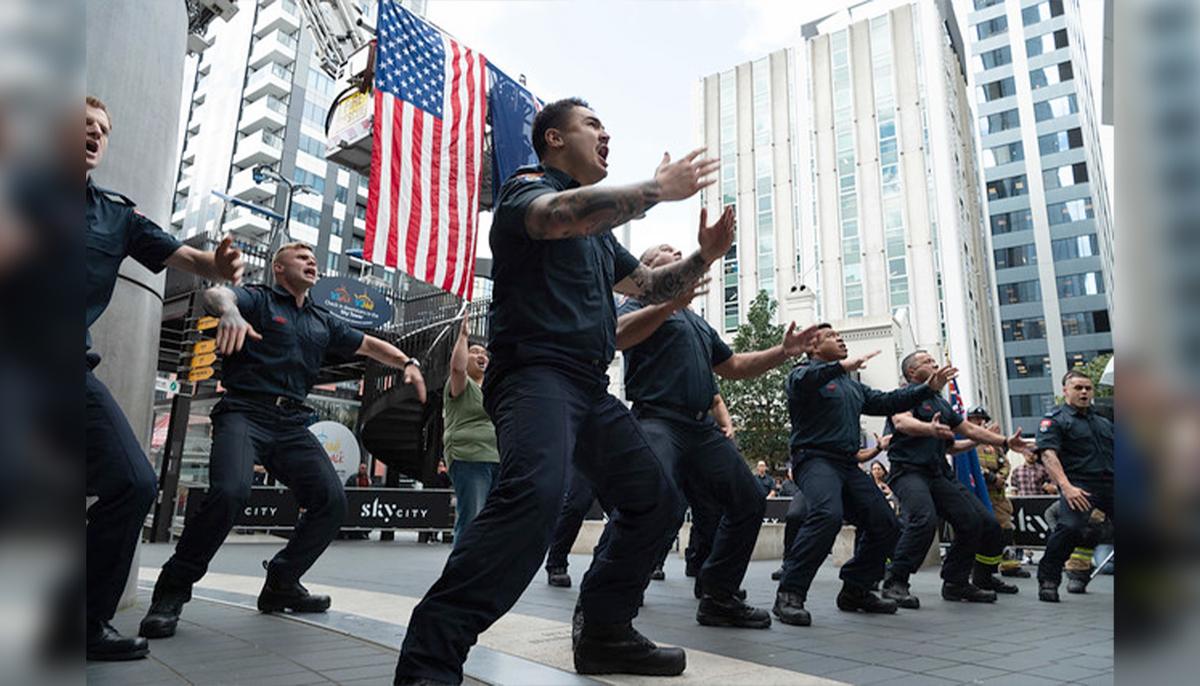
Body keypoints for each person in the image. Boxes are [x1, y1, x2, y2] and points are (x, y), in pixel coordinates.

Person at [394, 97, 729, 684]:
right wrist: (655, 188)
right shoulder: (525, 191)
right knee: (533, 500)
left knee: (656, 500)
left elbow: (650, 284)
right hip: (534, 376)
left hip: (589, 387)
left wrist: (706, 254)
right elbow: (558, 217)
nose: (606, 133)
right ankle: (428, 662)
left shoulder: (601, 238)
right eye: (592, 125)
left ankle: (605, 634)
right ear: (553, 139)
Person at [138, 242, 427, 640]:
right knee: (230, 492)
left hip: (291, 423)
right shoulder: (256, 298)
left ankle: (282, 583)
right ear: (278, 268)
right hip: (244, 413)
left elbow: (367, 344)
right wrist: (231, 312)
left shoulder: (321, 320)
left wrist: (407, 364)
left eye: (314, 257)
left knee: (331, 501)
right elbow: (215, 293)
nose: (312, 260)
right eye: (301, 256)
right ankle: (171, 590)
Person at [84, 95, 245, 661]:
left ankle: (84, 623)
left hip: (66, 374)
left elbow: (192, 260)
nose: (94, 134)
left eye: (102, 128)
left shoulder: (116, 215)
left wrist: (220, 272)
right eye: (81, 124)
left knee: (134, 483)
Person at [615, 242, 817, 627]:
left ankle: (718, 596)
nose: (676, 251)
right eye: (665, 251)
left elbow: (734, 366)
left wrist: (783, 351)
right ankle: (615, 593)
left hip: (700, 428)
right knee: (653, 503)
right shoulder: (637, 303)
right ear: (646, 269)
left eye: (679, 251)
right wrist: (666, 306)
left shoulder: (698, 322)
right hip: (656, 420)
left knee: (749, 500)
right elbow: (617, 336)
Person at [773, 326, 958, 627]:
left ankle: (856, 590)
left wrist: (928, 388)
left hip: (847, 464)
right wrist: (841, 366)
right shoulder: (803, 373)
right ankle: (789, 594)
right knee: (826, 516)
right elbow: (801, 382)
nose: (841, 339)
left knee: (886, 525)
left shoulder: (853, 387)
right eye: (832, 337)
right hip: (815, 459)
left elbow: (888, 401)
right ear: (813, 348)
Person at [880, 351, 1032, 610]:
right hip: (908, 471)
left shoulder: (941, 404)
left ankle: (957, 582)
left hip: (938, 473)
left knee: (978, 522)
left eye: (934, 360)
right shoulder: (904, 395)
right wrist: (929, 428)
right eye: (927, 361)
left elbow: (967, 432)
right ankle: (896, 581)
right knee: (923, 520)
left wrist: (1005, 441)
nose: (935, 364)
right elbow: (902, 422)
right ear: (912, 373)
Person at [1035, 370, 1114, 602]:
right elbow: (1048, 455)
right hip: (1080, 485)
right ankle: (1048, 579)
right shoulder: (1056, 420)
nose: (1084, 392)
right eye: (1078, 388)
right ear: (1065, 390)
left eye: (1088, 388)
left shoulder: (1104, 420)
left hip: (1113, 483)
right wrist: (1066, 487)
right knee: (1070, 527)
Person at [443, 314, 500, 545]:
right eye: (475, 352)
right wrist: (464, 336)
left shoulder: (493, 388)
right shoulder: (461, 385)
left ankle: (482, 572)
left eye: (485, 354)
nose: (481, 356)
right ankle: (460, 574)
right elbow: (456, 369)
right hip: (470, 458)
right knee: (471, 519)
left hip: (497, 459)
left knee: (493, 523)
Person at [966, 407, 1027, 578]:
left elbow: (1005, 463)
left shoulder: (992, 443)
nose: (979, 422)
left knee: (1006, 529)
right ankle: (977, 568)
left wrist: (1000, 477)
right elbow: (972, 467)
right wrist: (992, 478)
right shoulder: (967, 441)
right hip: (978, 493)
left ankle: (1009, 565)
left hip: (998, 496)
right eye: (975, 418)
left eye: (982, 419)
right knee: (978, 531)